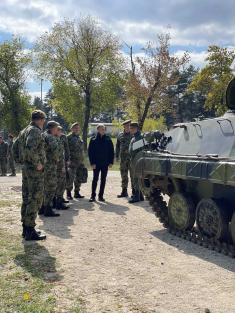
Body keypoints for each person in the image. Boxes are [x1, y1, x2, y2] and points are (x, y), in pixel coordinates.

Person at [20, 110, 47, 240]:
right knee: (35, 198)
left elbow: (15, 147)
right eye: (44, 119)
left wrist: (22, 162)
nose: (44, 122)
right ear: (40, 119)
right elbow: (30, 148)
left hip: (27, 169)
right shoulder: (35, 131)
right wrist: (37, 163)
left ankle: (26, 229)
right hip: (34, 170)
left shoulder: (25, 130)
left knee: (27, 197)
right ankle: (30, 230)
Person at [88, 124, 114, 202]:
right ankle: (93, 196)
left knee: (103, 180)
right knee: (95, 179)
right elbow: (90, 152)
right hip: (96, 163)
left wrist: (111, 162)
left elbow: (111, 152)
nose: (102, 130)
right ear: (98, 130)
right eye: (100, 129)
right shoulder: (93, 139)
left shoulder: (108, 139)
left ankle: (101, 196)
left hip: (105, 163)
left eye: (103, 129)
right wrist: (92, 163)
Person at [41, 121, 61, 217]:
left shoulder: (43, 135)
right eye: (56, 128)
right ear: (52, 128)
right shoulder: (50, 137)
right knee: (51, 186)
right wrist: (57, 158)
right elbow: (55, 150)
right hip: (50, 165)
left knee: (44, 186)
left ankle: (42, 207)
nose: (57, 130)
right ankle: (48, 209)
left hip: (43, 165)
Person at [66, 122, 86, 200]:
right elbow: (65, 149)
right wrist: (68, 160)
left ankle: (77, 193)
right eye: (75, 128)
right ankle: (68, 193)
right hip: (72, 161)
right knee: (70, 178)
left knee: (79, 178)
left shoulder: (79, 137)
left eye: (78, 128)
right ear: (71, 129)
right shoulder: (68, 137)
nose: (77, 129)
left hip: (80, 161)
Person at [116, 120, 132, 198]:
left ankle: (135, 192)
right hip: (123, 159)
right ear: (124, 126)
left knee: (133, 175)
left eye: (129, 125)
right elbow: (117, 146)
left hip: (132, 159)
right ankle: (124, 191)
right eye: (126, 126)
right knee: (123, 175)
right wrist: (116, 156)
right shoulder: (120, 135)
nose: (127, 127)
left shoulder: (133, 134)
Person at [128, 122, 144, 204]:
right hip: (134, 160)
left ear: (136, 129)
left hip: (137, 161)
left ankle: (137, 196)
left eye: (132, 128)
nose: (130, 130)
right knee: (135, 178)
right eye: (130, 128)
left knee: (136, 178)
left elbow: (136, 150)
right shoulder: (134, 138)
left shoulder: (140, 138)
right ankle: (140, 196)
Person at [55, 126, 70, 210]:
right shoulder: (51, 138)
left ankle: (60, 199)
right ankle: (56, 201)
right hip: (54, 164)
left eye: (60, 130)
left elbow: (66, 149)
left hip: (62, 162)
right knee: (56, 183)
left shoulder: (63, 137)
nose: (60, 132)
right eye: (58, 130)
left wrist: (67, 159)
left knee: (63, 182)